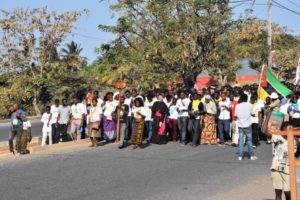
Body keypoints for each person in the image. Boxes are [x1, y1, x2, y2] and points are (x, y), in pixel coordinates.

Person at [265, 120, 300, 200]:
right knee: (278, 193)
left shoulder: (294, 140)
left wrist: (298, 144)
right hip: (275, 168)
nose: (291, 131)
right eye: (289, 129)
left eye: (292, 129)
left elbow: (297, 155)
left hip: (288, 169)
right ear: (283, 129)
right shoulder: (276, 136)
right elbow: (265, 132)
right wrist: (267, 116)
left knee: (288, 193)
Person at [235, 93, 257, 161]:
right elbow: (253, 113)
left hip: (240, 125)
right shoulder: (249, 105)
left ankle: (240, 156)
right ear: (247, 99)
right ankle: (252, 155)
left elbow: (236, 115)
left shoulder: (237, 106)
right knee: (249, 140)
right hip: (247, 125)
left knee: (241, 140)